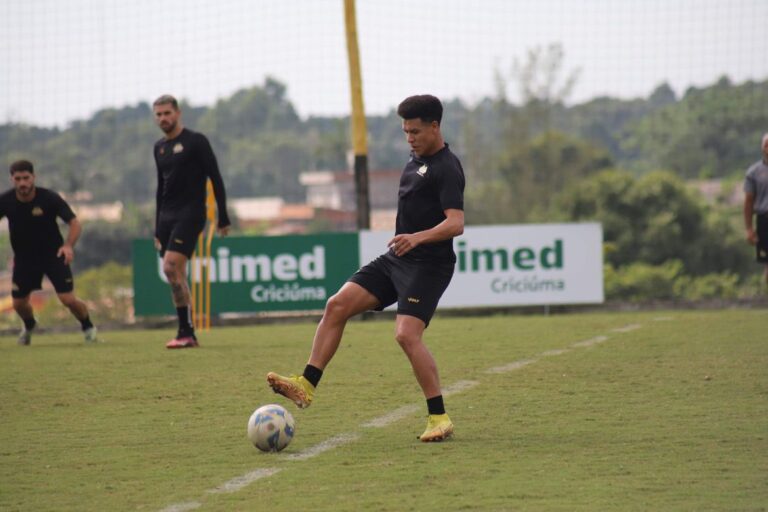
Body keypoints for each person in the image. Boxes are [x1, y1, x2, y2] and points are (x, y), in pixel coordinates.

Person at [267, 95, 465, 442]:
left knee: (406, 335)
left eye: (416, 131)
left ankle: (439, 417)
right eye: (405, 131)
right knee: (336, 305)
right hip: (398, 258)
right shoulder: (414, 157)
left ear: (435, 126)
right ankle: (306, 384)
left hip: (429, 265)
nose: (410, 138)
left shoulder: (447, 167)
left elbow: (456, 224)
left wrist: (417, 238)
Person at [152, 94, 231, 349]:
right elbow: (160, 188)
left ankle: (186, 331)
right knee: (176, 273)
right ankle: (187, 332)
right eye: (159, 114)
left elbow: (215, 178)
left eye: (167, 113)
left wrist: (223, 215)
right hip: (166, 218)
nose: (163, 118)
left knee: (170, 266)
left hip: (191, 213)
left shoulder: (196, 141)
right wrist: (157, 227)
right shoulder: (159, 148)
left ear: (178, 113)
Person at [0, 160, 100, 345]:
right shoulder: (5, 201)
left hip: (53, 255)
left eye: (26, 178)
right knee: (18, 304)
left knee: (67, 299)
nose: (22, 183)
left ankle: (88, 327)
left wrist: (68, 245)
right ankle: (29, 324)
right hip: (24, 259)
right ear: (12, 179)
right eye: (18, 179)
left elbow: (75, 223)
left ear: (33, 178)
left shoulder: (49, 198)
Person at [743, 132, 768, 287]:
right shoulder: (753, 172)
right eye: (766, 144)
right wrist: (749, 229)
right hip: (764, 220)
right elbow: (748, 201)